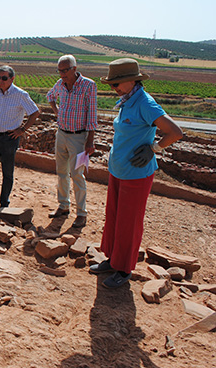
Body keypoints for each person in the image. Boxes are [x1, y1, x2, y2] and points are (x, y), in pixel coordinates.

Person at [90, 58, 183, 288]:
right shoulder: (127, 100)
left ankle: (124, 270)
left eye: (117, 83)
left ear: (133, 80)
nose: (114, 88)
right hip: (119, 169)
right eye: (112, 84)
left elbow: (175, 132)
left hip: (136, 173)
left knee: (129, 223)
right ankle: (112, 260)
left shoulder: (145, 103)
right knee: (113, 217)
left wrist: (154, 148)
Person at [46, 55, 98, 228]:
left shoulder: (88, 85)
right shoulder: (60, 84)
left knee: (77, 175)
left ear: (74, 69)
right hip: (61, 134)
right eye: (59, 71)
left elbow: (91, 114)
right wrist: (57, 112)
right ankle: (63, 205)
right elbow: (50, 96)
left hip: (79, 137)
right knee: (61, 172)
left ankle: (81, 213)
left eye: (65, 70)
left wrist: (90, 141)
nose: (62, 74)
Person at [0, 65, 40, 208]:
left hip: (9, 139)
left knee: (7, 173)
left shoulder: (21, 94)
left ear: (12, 78)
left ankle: (4, 203)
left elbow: (35, 112)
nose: (1, 81)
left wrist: (23, 129)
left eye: (4, 78)